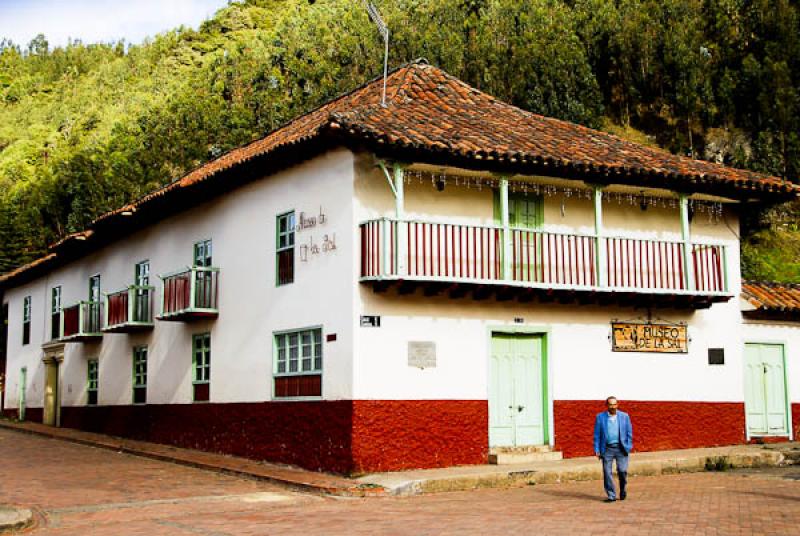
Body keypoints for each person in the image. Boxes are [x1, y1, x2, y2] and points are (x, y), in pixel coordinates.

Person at [593, 396, 633, 502]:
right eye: (610, 404)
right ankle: (611, 495)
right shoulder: (600, 417)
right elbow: (597, 435)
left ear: (617, 405)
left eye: (614, 404)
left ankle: (623, 488)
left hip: (621, 448)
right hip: (607, 449)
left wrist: (628, 446)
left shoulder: (624, 416)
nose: (612, 407)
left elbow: (629, 433)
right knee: (607, 472)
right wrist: (597, 449)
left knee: (622, 470)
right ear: (607, 405)